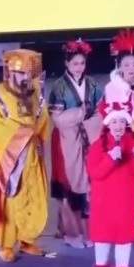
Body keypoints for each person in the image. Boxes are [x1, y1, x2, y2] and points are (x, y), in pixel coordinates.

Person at [0, 49, 52, 262]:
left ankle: (27, 239)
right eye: (20, 74)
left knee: (33, 195)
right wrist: (25, 132)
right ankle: (7, 244)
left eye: (27, 74)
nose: (24, 78)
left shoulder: (34, 92)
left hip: (32, 154)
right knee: (12, 199)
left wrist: (36, 133)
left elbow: (42, 118)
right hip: (12, 156)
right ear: (10, 73)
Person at [86, 91, 134, 267]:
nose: (118, 126)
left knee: (124, 240)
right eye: (114, 122)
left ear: (127, 124)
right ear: (108, 124)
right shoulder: (97, 147)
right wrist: (110, 159)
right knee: (103, 239)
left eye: (121, 122)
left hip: (126, 201)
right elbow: (94, 173)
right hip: (103, 201)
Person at [48, 39, 104, 248]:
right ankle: (71, 233)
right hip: (66, 139)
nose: (79, 67)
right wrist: (79, 114)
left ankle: (90, 231)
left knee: (90, 183)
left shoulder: (91, 83)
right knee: (68, 185)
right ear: (66, 63)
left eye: (82, 63)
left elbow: (100, 109)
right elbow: (56, 117)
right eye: (75, 64)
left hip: (89, 136)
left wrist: (88, 122)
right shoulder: (59, 86)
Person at [101, 28, 134, 238]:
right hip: (124, 141)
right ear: (119, 66)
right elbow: (110, 117)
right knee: (126, 185)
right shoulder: (111, 88)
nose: (131, 68)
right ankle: (128, 225)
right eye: (126, 65)